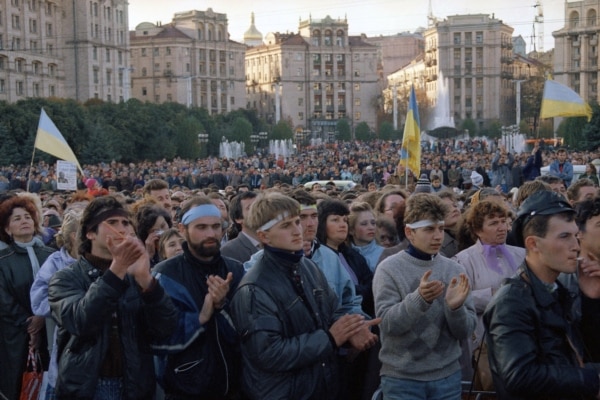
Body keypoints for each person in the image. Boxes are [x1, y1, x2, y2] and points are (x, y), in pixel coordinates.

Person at [230, 192, 379, 400]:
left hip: (319, 387)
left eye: (296, 222)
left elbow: (332, 310)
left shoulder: (308, 267)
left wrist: (352, 329)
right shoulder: (254, 287)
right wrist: (330, 338)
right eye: (285, 225)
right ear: (264, 236)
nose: (297, 230)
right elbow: (268, 353)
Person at [48, 195, 178, 399]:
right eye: (112, 222)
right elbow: (82, 321)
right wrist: (117, 269)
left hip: (134, 384)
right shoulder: (65, 278)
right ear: (90, 233)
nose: (122, 229)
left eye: (126, 223)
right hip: (88, 386)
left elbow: (165, 328)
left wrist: (146, 281)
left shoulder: (135, 275)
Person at [483, 190, 600, 399]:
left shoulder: (558, 290)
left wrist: (592, 296)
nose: (575, 246)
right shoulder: (511, 302)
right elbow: (520, 376)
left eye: (575, 236)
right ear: (533, 244)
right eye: (564, 237)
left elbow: (572, 356)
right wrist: (593, 379)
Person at [373, 193, 476, 400]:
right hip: (402, 379)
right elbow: (388, 325)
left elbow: (465, 331)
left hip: (447, 377)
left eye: (440, 229)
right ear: (409, 232)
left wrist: (455, 309)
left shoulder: (454, 269)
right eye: (429, 229)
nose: (438, 236)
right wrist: (419, 299)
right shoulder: (389, 269)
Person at [152, 197, 245, 399]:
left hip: (236, 387)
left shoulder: (236, 270)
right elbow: (157, 339)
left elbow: (249, 331)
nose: (211, 234)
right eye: (201, 227)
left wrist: (222, 306)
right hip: (185, 390)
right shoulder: (166, 275)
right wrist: (201, 317)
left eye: (216, 226)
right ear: (182, 229)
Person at [453, 200, 525, 379]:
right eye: (493, 223)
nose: (502, 228)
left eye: (503, 221)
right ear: (478, 230)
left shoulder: (521, 255)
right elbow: (460, 298)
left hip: (521, 336)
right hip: (484, 342)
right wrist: (494, 295)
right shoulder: (463, 260)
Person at [0, 195, 56, 400]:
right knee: (19, 385)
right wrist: (29, 324)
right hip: (16, 333)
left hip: (50, 327)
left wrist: (42, 316)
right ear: (7, 229)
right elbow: (4, 300)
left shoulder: (52, 255)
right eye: (17, 218)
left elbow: (59, 289)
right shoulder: (3, 261)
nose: (24, 221)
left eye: (27, 217)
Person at [30, 209, 82, 399]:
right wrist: (67, 307)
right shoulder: (55, 262)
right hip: (64, 341)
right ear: (75, 235)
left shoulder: (100, 259)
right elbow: (38, 300)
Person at [221, 191, 260, 263]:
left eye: (260, 206)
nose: (259, 211)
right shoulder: (229, 251)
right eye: (250, 208)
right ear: (238, 218)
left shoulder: (275, 242)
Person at [348, 201, 384, 272]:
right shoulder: (344, 255)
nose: (371, 227)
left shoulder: (384, 254)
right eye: (364, 224)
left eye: (373, 223)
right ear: (351, 230)